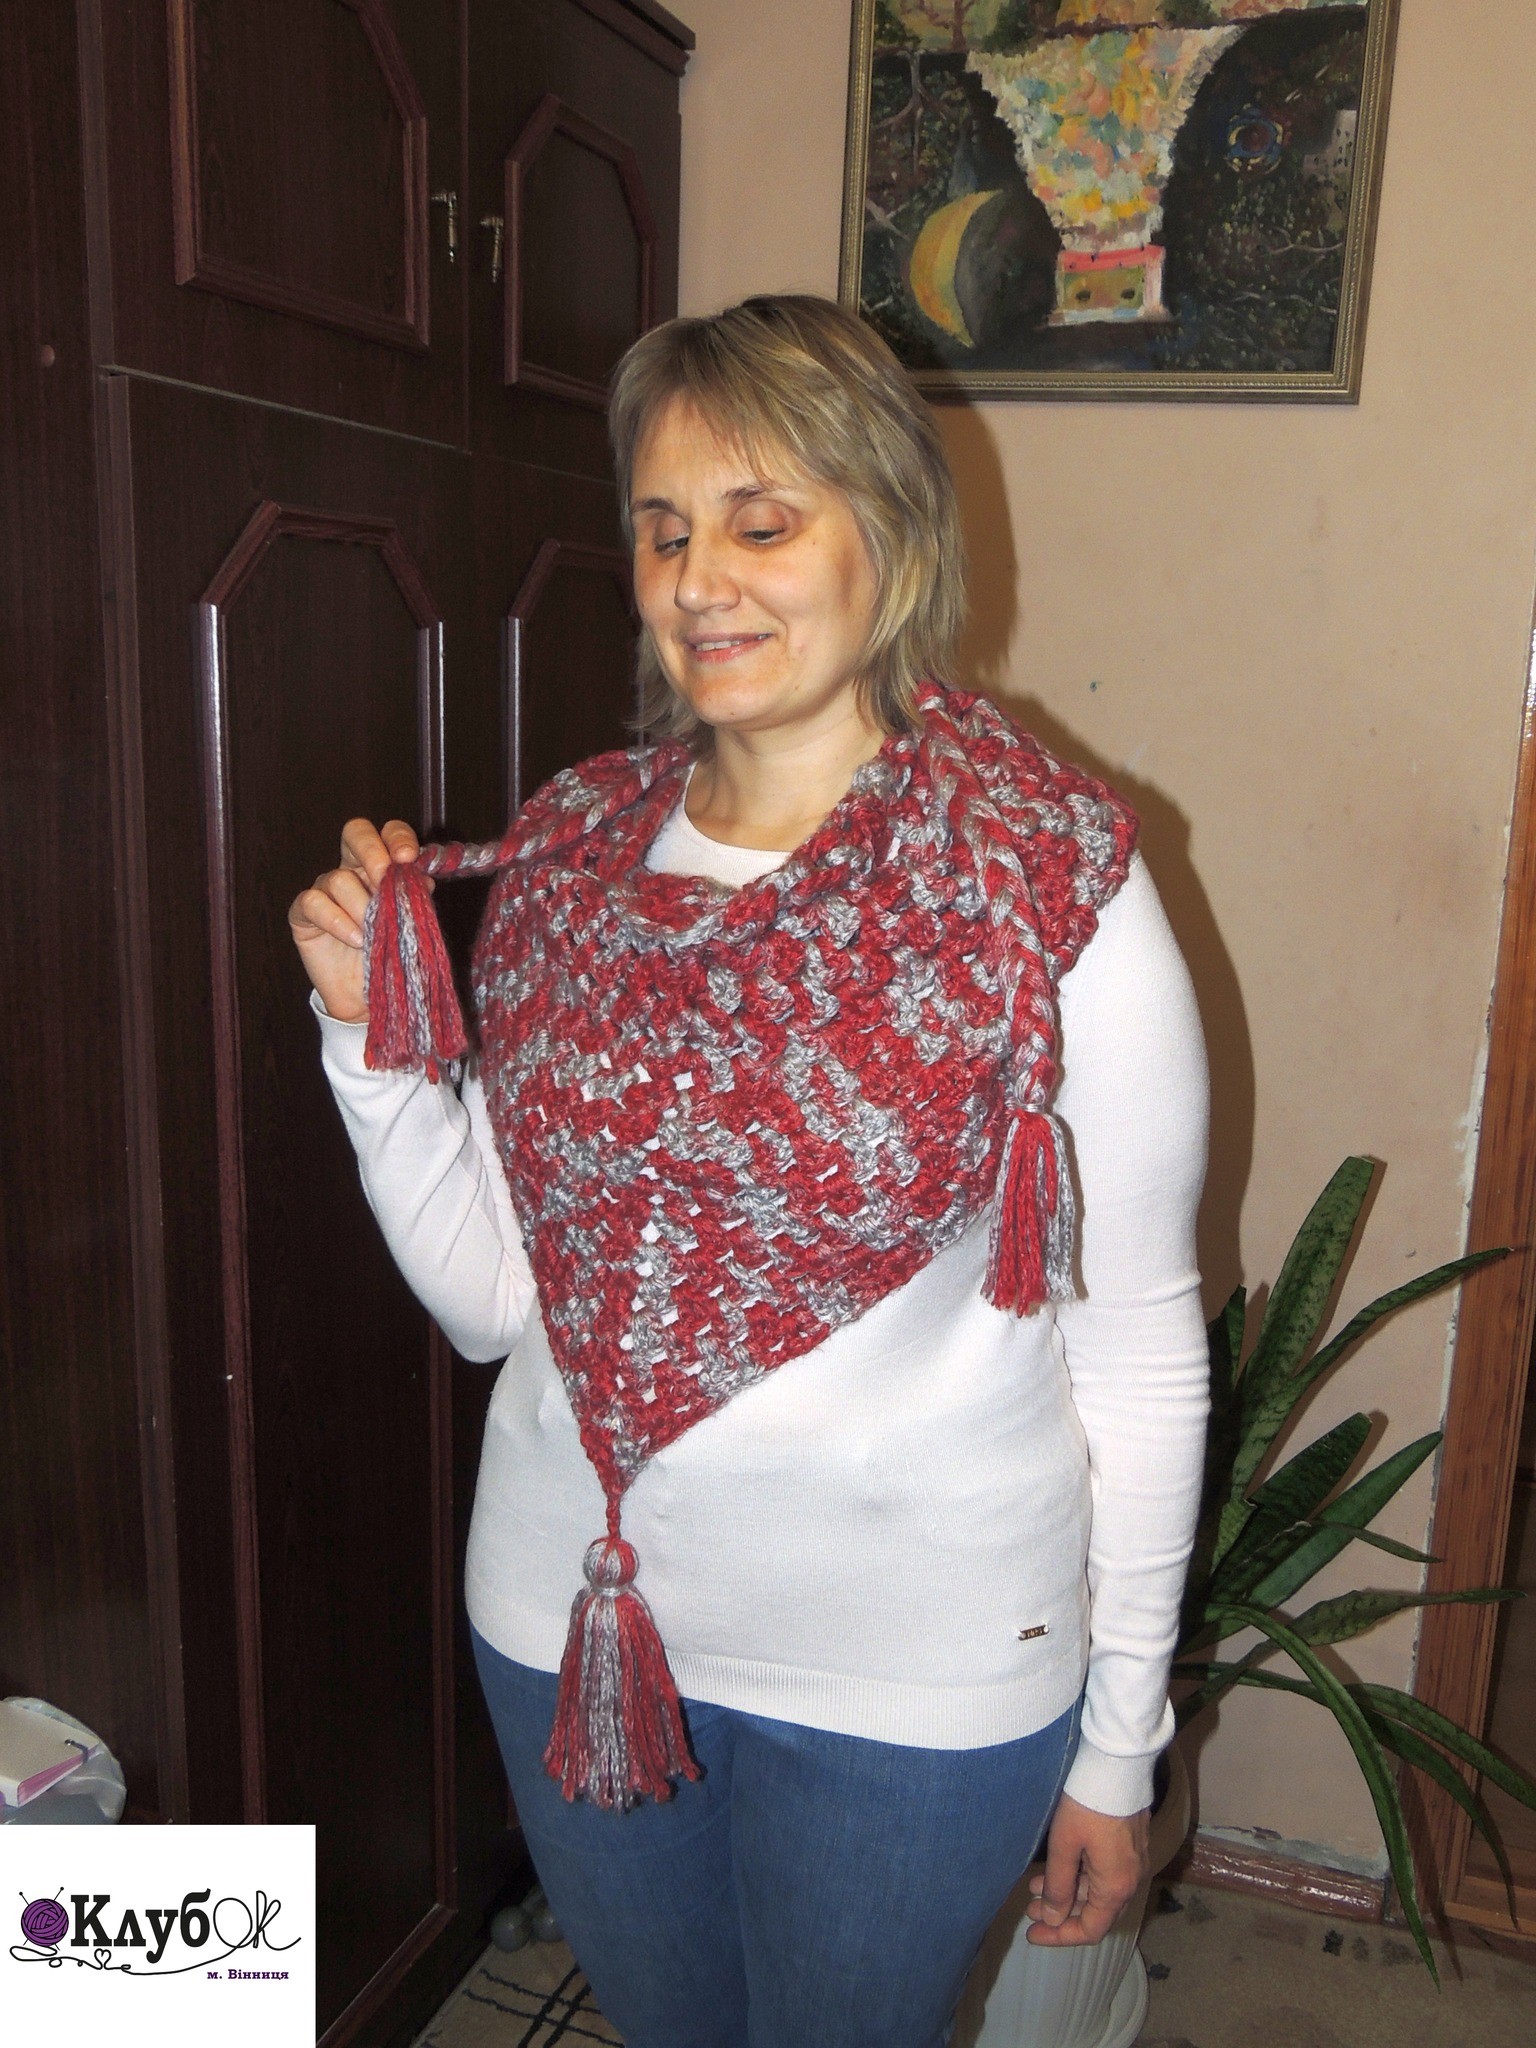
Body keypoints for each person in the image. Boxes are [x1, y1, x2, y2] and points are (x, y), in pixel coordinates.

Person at [288, 294, 1209, 2048]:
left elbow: (1142, 1345)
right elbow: (494, 1308)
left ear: (893, 536)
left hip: (926, 1677)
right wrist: (371, 1046)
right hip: (571, 1629)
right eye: (663, 531)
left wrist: (1120, 1742)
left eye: (762, 523)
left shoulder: (1044, 887)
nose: (700, 579)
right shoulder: (568, 862)